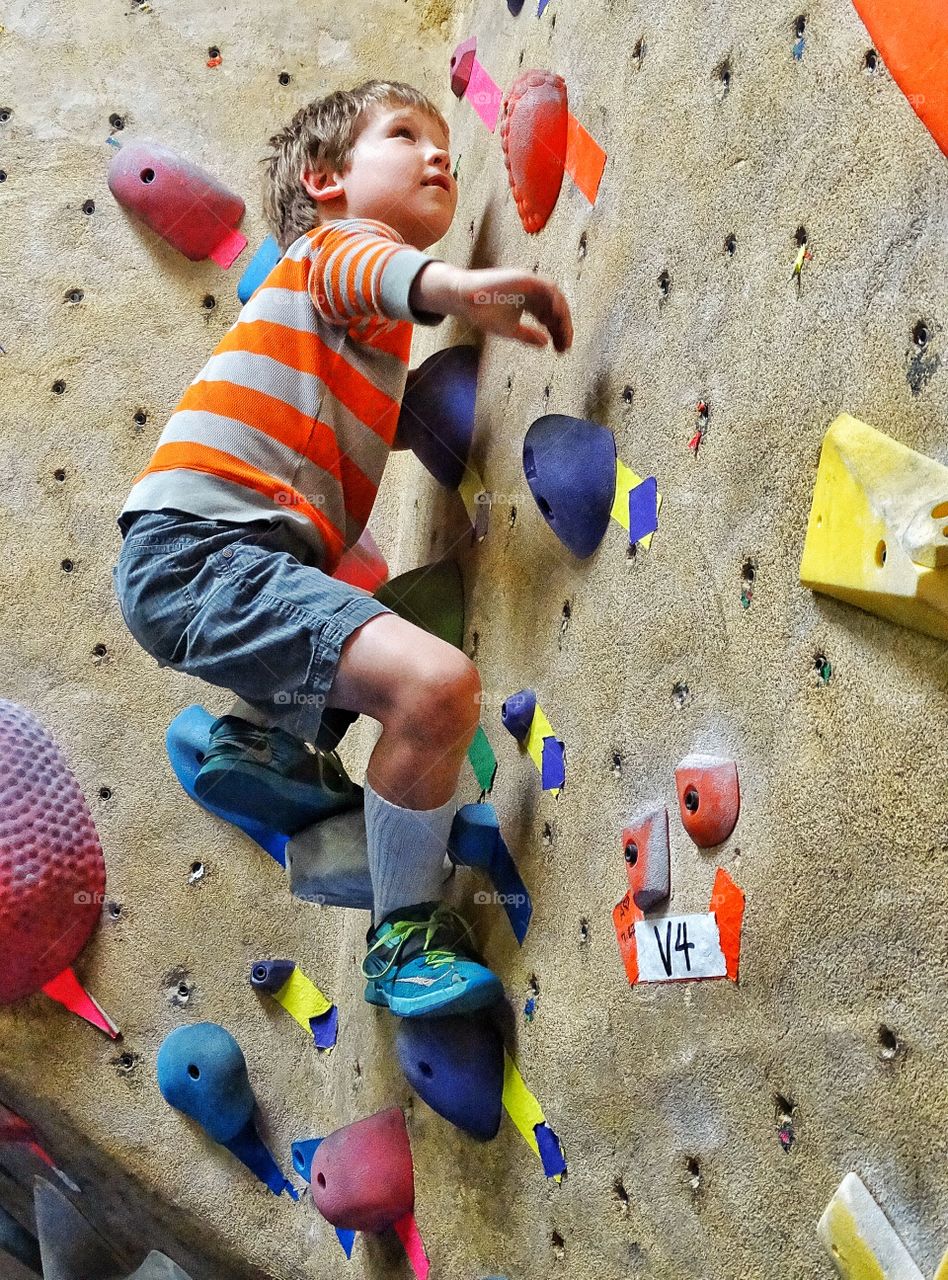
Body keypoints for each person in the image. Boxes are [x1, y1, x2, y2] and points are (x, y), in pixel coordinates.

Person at [112, 80, 573, 1019]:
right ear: (325, 180)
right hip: (203, 552)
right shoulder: (331, 254)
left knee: (347, 604)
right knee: (436, 686)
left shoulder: (345, 336)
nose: (439, 156)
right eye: (406, 136)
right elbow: (365, 267)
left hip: (211, 559)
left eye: (444, 141)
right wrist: (456, 288)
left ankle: (267, 743)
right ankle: (402, 940)